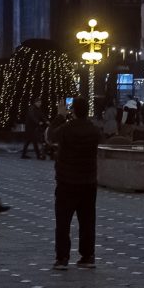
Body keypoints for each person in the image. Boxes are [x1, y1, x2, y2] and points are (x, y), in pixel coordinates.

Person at [48, 97, 100, 270]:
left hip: (67, 180)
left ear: (74, 111)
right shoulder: (94, 130)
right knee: (87, 220)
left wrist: (59, 116)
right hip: (88, 181)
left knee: (63, 221)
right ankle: (87, 256)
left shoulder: (67, 128)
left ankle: (62, 257)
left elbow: (50, 136)